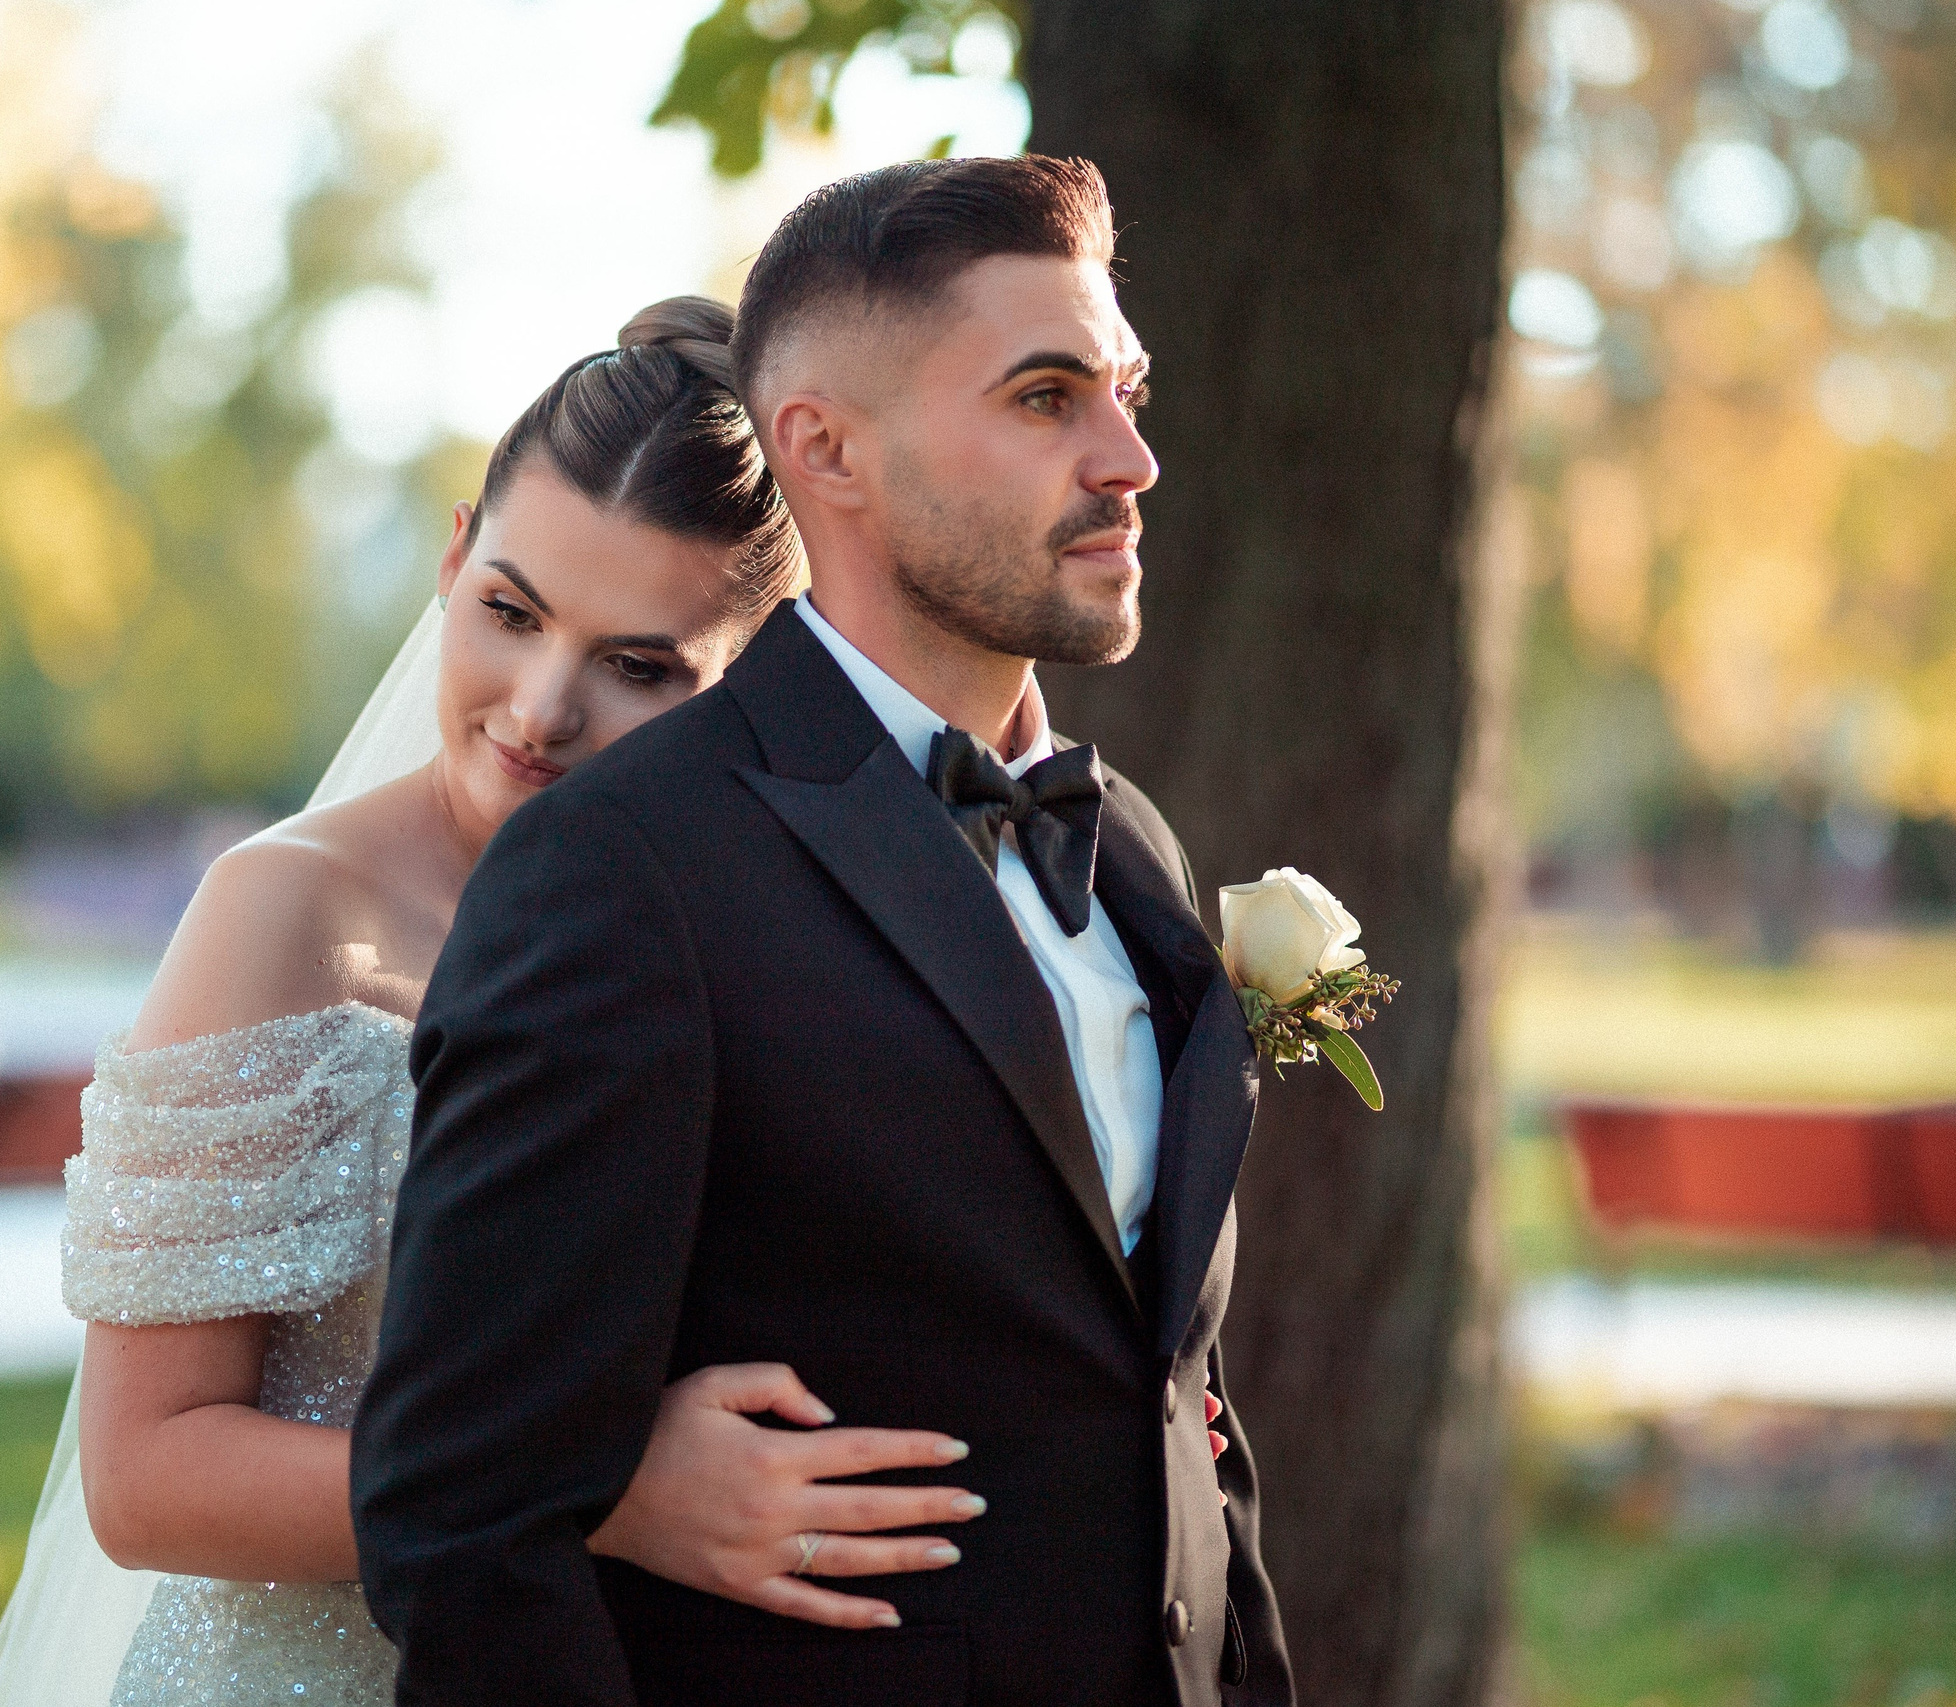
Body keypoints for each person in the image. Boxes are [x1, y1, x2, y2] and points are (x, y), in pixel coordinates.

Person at [352, 158, 1295, 1705]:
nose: (1130, 457)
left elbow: (1180, 1410)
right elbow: (464, 1528)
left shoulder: (1130, 848)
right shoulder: (620, 873)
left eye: (1125, 391)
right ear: (827, 450)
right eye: (1047, 398)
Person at [0, 299, 987, 1707]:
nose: (540, 710)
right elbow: (147, 1479)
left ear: (756, 678)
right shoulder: (286, 916)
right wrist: (592, 1488)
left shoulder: (771, 925)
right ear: (451, 560)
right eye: (511, 612)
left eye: (640, 668)